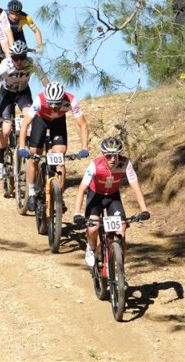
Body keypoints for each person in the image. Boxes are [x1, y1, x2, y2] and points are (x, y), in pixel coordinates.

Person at [72, 136, 150, 268]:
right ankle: (91, 248)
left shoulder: (125, 163)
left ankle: (120, 270)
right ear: (103, 154)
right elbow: (82, 188)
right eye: (109, 155)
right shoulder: (95, 164)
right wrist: (77, 213)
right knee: (93, 228)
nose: (113, 159)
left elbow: (135, 186)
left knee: (122, 229)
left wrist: (144, 209)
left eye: (116, 155)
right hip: (95, 196)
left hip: (113, 197)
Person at [17, 82, 90, 212]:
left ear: (62, 98)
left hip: (58, 123)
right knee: (34, 157)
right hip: (41, 120)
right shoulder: (40, 99)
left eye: (57, 104)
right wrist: (22, 147)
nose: (53, 107)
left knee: (60, 158)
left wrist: (85, 147)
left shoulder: (71, 100)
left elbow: (83, 125)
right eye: (51, 104)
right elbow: (25, 123)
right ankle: (32, 192)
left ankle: (58, 196)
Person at [0, 40, 35, 180]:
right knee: (6, 130)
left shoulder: (31, 64)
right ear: (11, 57)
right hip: (7, 94)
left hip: (23, 94)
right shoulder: (5, 66)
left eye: (22, 57)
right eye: (15, 58)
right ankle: (0, 160)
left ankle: (26, 148)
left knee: (29, 119)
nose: (19, 61)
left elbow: (45, 81)